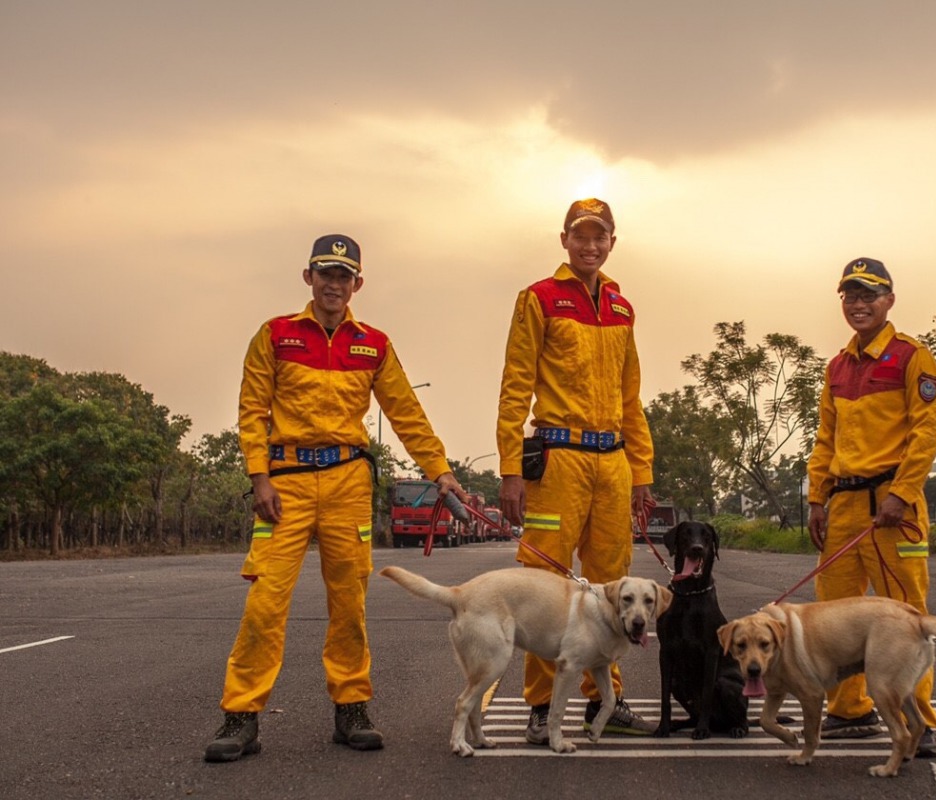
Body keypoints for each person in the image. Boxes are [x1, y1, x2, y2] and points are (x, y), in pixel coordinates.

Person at [205, 234, 465, 763]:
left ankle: (352, 709)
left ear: (357, 284)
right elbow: (252, 409)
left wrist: (440, 471)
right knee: (264, 603)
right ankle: (241, 717)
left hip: (347, 483)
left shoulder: (374, 344)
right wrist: (259, 478)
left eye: (344, 276)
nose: (334, 283)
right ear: (309, 277)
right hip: (285, 485)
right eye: (325, 273)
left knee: (349, 605)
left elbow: (405, 413)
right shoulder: (275, 335)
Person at [496, 198, 656, 745]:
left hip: (612, 461)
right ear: (564, 240)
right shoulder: (539, 298)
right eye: (581, 236)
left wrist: (642, 471)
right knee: (547, 587)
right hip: (557, 460)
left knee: (612, 590)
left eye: (601, 236)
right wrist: (510, 468)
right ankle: (542, 708)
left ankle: (601, 702)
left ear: (613, 241)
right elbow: (516, 385)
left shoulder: (622, 307)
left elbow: (631, 398)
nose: (591, 245)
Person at [805, 257, 936, 758]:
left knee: (904, 618)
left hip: (892, 508)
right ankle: (849, 710)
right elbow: (826, 439)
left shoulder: (912, 358)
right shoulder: (838, 367)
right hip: (842, 506)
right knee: (832, 616)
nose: (858, 304)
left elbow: (927, 433)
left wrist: (902, 493)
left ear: (889, 300)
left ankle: (917, 721)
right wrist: (816, 498)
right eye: (850, 296)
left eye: (868, 295)